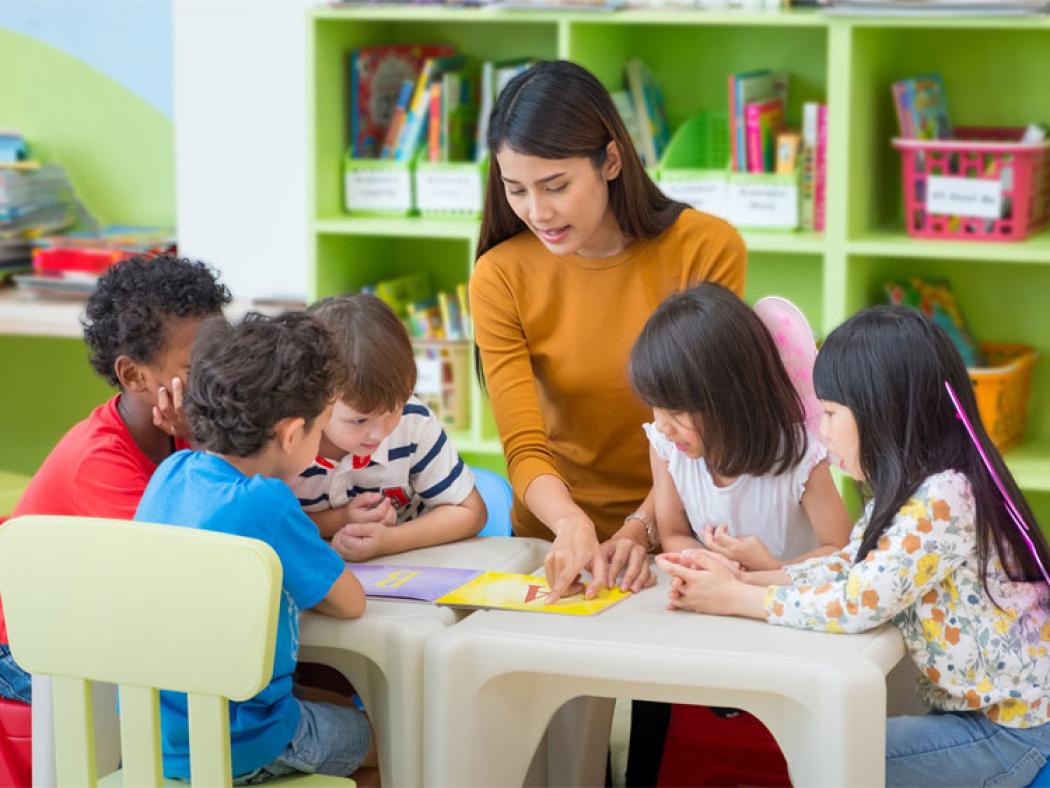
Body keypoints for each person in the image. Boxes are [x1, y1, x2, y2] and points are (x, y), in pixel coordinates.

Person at [657, 306, 1050, 787]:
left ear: (884, 410)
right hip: (989, 722)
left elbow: (860, 601)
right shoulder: (914, 488)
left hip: (1015, 732)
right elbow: (853, 564)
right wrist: (753, 576)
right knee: (829, 745)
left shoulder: (946, 496)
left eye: (830, 413)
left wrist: (739, 598)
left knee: (835, 754)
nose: (820, 430)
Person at [469, 60, 747, 606]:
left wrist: (641, 527)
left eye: (555, 186)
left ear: (611, 161)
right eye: (515, 190)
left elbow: (709, 424)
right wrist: (571, 524)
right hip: (552, 537)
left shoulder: (706, 249)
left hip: (686, 532)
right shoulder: (499, 275)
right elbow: (523, 447)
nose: (537, 212)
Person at [135, 312, 378, 785]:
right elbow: (351, 603)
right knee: (393, 740)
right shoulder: (266, 501)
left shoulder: (174, 470)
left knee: (327, 705)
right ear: (290, 434)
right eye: (321, 427)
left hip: (157, 736)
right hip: (242, 741)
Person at [0, 254, 230, 705]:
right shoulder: (101, 459)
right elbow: (189, 567)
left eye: (222, 357)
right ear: (133, 375)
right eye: (194, 367)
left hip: (101, 619)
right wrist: (205, 442)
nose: (217, 378)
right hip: (24, 647)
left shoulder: (183, 430)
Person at [628, 283, 851, 571]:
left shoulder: (800, 457)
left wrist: (768, 568)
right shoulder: (667, 449)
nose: (662, 425)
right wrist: (715, 564)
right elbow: (674, 534)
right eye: (656, 406)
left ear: (730, 397)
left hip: (785, 604)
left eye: (676, 410)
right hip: (722, 603)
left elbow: (841, 551)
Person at [291, 293, 486, 561]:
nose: (380, 433)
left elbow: (470, 511)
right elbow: (262, 525)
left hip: (406, 571)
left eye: (393, 410)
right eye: (359, 420)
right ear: (314, 398)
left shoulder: (412, 421)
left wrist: (390, 541)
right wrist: (339, 519)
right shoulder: (288, 440)